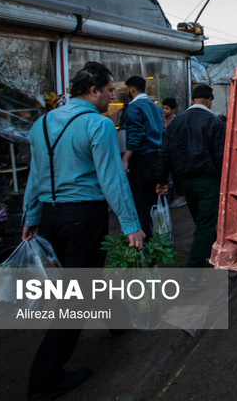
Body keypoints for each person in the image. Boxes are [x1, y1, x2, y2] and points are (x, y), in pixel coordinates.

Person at [22, 61, 145, 401]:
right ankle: (44, 379)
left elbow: (35, 176)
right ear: (93, 91)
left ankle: (117, 322)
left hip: (50, 217)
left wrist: (31, 217)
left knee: (81, 278)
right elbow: (112, 179)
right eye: (108, 91)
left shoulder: (41, 124)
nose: (111, 97)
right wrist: (131, 225)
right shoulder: (98, 124)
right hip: (84, 216)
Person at [156, 84, 225, 276]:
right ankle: (193, 274)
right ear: (209, 101)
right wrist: (225, 182)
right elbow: (220, 156)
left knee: (202, 220)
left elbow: (165, 153)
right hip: (208, 182)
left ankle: (213, 255)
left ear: (193, 100)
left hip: (184, 182)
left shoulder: (176, 122)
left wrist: (162, 180)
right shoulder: (214, 122)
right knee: (205, 224)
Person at [122, 75, 163, 240]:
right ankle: (157, 238)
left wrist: (125, 157)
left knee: (140, 203)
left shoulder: (134, 108)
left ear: (131, 89)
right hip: (156, 158)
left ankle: (144, 239)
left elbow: (136, 135)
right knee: (153, 201)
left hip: (141, 159)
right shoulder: (156, 108)